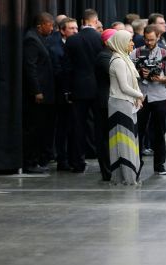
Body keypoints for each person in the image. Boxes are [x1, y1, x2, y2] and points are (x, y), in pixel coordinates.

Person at [130, 25, 166, 175]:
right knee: (139, 131)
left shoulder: (165, 53)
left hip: (159, 96)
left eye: (152, 39)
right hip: (141, 97)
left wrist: (162, 79)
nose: (149, 42)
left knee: (159, 132)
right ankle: (137, 163)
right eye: (146, 39)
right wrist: (139, 72)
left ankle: (159, 165)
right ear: (143, 38)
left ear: (158, 37)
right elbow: (128, 74)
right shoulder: (135, 52)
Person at [64, 9, 104, 173]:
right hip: (98, 89)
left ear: (82, 21)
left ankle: (77, 162)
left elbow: (66, 68)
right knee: (100, 127)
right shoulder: (101, 39)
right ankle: (104, 164)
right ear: (95, 21)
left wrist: (67, 90)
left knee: (78, 127)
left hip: (78, 89)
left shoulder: (72, 40)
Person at [106, 30, 144, 185]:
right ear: (121, 42)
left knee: (129, 140)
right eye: (129, 40)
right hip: (120, 105)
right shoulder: (118, 61)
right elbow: (124, 87)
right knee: (123, 142)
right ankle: (126, 177)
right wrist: (140, 95)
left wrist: (136, 96)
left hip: (126, 104)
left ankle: (129, 176)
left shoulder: (124, 59)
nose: (132, 44)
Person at [22, 12, 55, 173]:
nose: (52, 28)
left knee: (40, 128)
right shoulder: (31, 39)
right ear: (40, 25)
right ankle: (30, 163)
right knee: (33, 129)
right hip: (36, 95)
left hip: (44, 93)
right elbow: (30, 67)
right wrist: (36, 91)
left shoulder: (39, 38)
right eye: (50, 25)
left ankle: (37, 160)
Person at [47, 17, 78, 171]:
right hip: (61, 94)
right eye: (71, 28)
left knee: (74, 128)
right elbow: (57, 72)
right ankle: (62, 160)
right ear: (62, 30)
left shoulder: (76, 45)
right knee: (63, 128)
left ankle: (73, 159)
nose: (75, 31)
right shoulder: (55, 48)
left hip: (75, 93)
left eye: (76, 28)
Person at [93, 29, 118, 181]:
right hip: (104, 102)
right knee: (104, 138)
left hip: (109, 100)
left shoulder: (110, 56)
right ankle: (107, 170)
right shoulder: (104, 57)